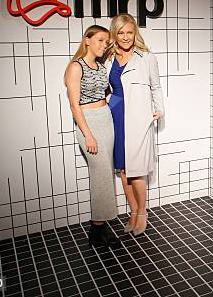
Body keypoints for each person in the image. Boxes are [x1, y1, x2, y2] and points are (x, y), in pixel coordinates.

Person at [105, 14, 164, 236]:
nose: (126, 37)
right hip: (116, 114)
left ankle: (142, 212)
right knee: (122, 169)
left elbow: (156, 86)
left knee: (136, 170)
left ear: (135, 33)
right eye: (121, 32)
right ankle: (132, 211)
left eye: (130, 32)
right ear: (115, 34)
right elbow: (107, 86)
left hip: (138, 116)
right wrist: (109, 100)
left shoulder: (146, 57)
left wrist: (159, 109)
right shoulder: (109, 57)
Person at [64, 25, 120, 247]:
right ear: (86, 40)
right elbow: (74, 105)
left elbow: (104, 92)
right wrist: (88, 135)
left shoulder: (99, 67)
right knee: (99, 175)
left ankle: (100, 227)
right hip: (89, 123)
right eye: (99, 40)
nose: (103, 45)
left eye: (106, 42)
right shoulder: (75, 67)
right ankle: (97, 230)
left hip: (105, 119)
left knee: (106, 173)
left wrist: (107, 100)